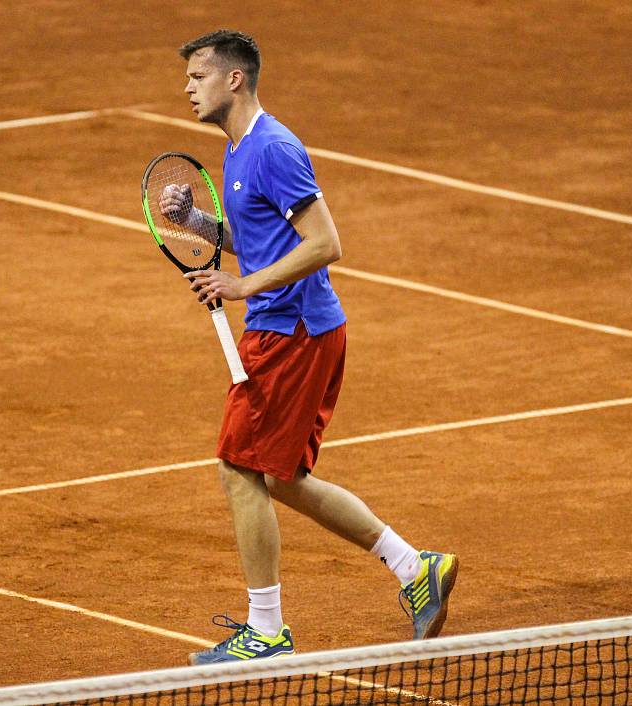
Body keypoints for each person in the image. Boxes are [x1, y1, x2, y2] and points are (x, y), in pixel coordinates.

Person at [163, 29, 458, 665]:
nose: (187, 87)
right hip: (292, 328)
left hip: (291, 332)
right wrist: (196, 224)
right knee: (282, 476)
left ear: (234, 79)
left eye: (197, 76)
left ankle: (265, 630)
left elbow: (326, 243)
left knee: (239, 468)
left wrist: (240, 288)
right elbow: (267, 243)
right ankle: (415, 567)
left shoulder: (272, 148)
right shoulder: (238, 150)